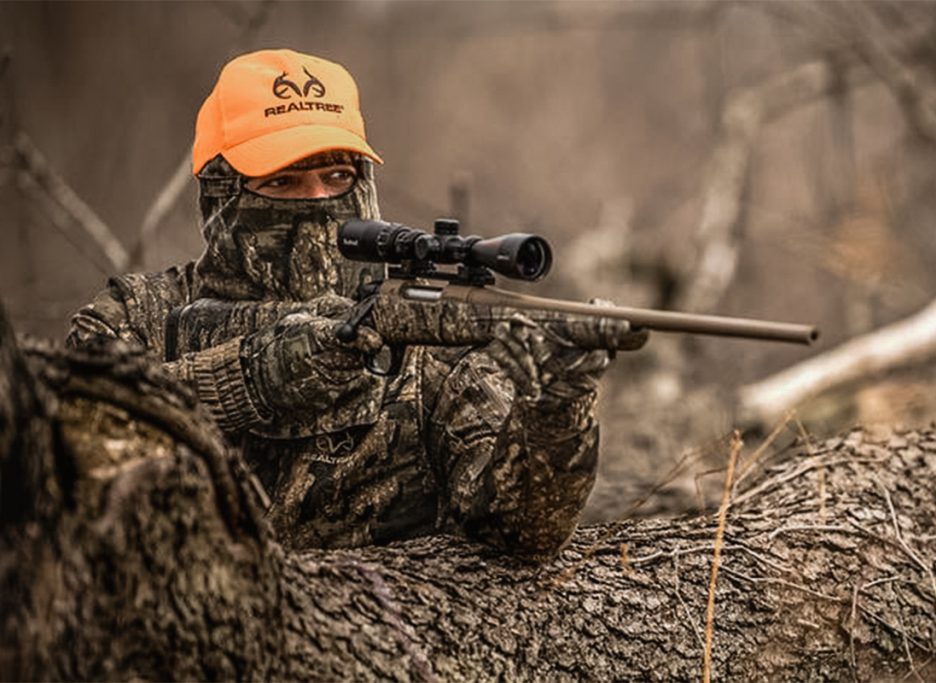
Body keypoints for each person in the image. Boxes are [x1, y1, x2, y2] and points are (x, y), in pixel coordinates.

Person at [67, 48, 644, 557]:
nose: (318, 201)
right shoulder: (135, 317)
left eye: (337, 177)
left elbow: (521, 531)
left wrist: (560, 404)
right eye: (282, 182)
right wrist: (266, 372)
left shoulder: (423, 341)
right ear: (221, 191)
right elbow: (71, 442)